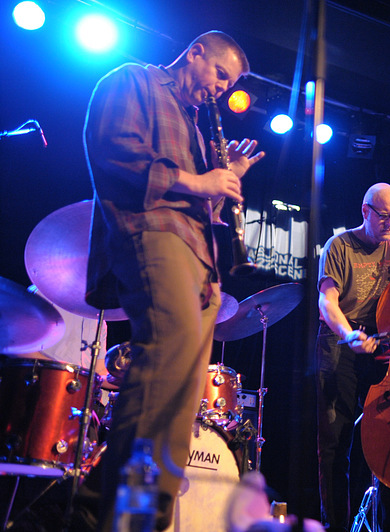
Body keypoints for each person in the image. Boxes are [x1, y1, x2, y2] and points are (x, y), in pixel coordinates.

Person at [76, 31, 264, 531]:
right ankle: (107, 510)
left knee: (182, 398)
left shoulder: (199, 130)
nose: (220, 90)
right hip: (153, 233)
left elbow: (203, 202)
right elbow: (114, 151)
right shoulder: (132, 80)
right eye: (220, 75)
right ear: (195, 52)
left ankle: (144, 517)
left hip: (202, 262)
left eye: (228, 86)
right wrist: (200, 182)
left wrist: (227, 178)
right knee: (164, 370)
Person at [316, 182, 390, 532]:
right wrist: (348, 333)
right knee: (336, 441)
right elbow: (327, 301)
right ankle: (336, 524)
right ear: (365, 210)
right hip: (341, 342)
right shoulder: (339, 246)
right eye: (383, 215)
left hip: (389, 348)